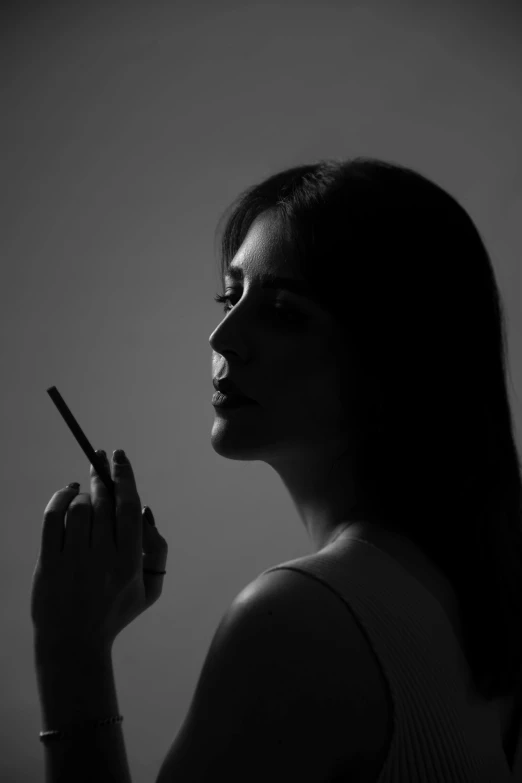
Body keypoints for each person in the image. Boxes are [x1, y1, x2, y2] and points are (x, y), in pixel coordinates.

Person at [201, 157, 522, 780]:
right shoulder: (479, 602)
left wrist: (71, 649)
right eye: (229, 295)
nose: (223, 336)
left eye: (285, 311)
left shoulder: (297, 615)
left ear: (397, 355)